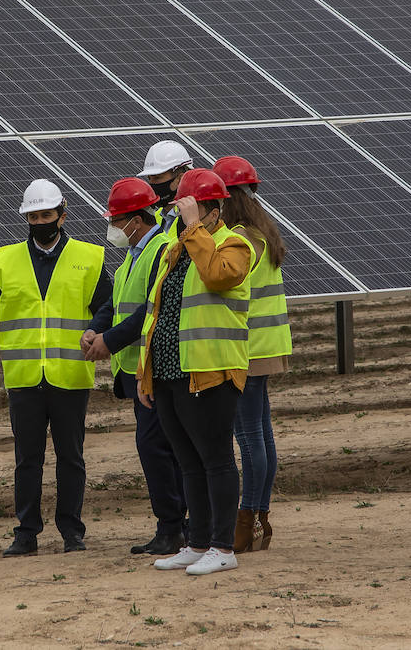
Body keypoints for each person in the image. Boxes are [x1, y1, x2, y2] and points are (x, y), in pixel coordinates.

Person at [139, 169, 252, 577]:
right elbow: (157, 312)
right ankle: (198, 542)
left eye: (188, 208)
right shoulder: (175, 249)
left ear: (208, 208)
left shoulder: (233, 243)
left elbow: (220, 276)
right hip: (171, 370)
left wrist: (193, 230)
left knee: (216, 459)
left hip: (211, 371)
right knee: (188, 461)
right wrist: (144, 373)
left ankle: (223, 546)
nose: (182, 215)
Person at [0, 179, 112, 556]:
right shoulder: (4, 260)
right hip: (25, 378)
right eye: (34, 216)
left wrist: (96, 332)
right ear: (26, 218)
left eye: (46, 214)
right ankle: (26, 533)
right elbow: (1, 313)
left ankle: (71, 531)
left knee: (71, 458)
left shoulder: (90, 258)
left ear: (62, 215)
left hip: (70, 375)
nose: (40, 221)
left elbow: (107, 308)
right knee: (27, 459)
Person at [81, 177, 187, 555]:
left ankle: (172, 527)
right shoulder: (135, 253)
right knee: (163, 447)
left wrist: (109, 341)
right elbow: (118, 299)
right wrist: (96, 327)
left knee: (155, 448)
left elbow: (148, 309)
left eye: (117, 220)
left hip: (153, 368)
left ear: (136, 220)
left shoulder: (161, 249)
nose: (113, 228)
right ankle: (179, 524)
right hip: (136, 368)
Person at [212, 155, 290, 553]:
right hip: (269, 347)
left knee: (249, 438)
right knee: (262, 435)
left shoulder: (240, 240)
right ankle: (260, 517)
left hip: (248, 350)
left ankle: (247, 522)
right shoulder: (265, 234)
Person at [138, 139, 193, 238]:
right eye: (150, 179)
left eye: (157, 178)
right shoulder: (155, 217)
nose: (152, 185)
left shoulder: (194, 220)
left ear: (181, 179)